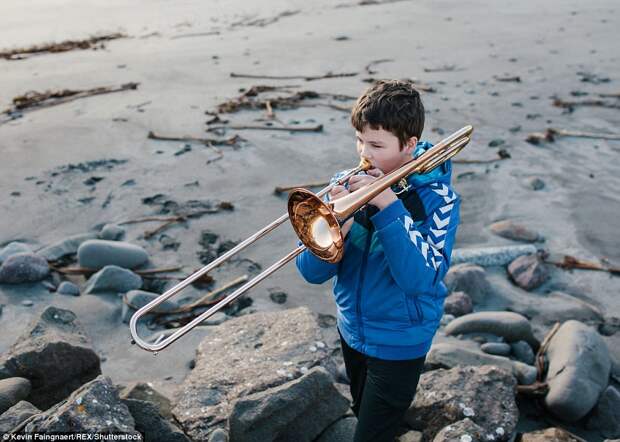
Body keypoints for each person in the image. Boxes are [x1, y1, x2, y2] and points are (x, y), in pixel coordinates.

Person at [295, 79, 461, 441]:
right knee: (362, 414)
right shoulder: (348, 182)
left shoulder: (438, 200)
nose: (363, 153)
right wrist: (336, 226)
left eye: (376, 144)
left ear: (409, 145)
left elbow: (421, 280)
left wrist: (387, 207)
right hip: (352, 329)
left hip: (401, 340)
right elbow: (311, 274)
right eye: (359, 140)